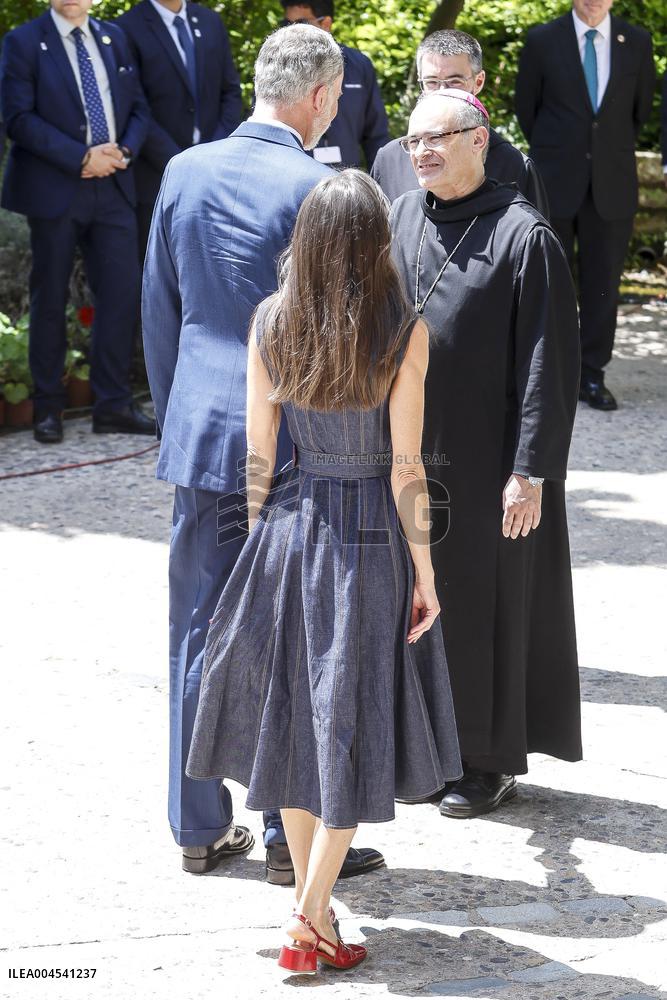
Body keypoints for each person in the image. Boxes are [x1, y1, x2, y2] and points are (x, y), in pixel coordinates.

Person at [186, 169, 462, 973]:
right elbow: (406, 469)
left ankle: (313, 921)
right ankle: (308, 916)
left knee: (302, 731)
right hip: (369, 535)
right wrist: (428, 576)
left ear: (306, 239)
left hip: (290, 534)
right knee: (352, 720)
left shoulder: (272, 321)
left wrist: (258, 544)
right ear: (376, 243)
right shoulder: (403, 329)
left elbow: (259, 458)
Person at [142, 25, 384, 887]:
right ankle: (290, 842)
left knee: (196, 628)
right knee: (291, 636)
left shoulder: (181, 169)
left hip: (200, 433)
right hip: (290, 447)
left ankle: (196, 826)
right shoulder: (317, 188)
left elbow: (158, 313)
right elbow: (338, 336)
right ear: (321, 97)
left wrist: (185, 417)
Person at [390, 90, 582, 819]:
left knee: (487, 608)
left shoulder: (522, 235)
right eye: (412, 142)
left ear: (479, 140)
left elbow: (547, 366)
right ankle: (426, 748)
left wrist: (528, 471)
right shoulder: (403, 215)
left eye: (437, 138)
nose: (422, 152)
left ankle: (486, 761)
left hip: (492, 461)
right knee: (418, 601)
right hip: (412, 451)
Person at [0, 0, 155, 444]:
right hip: (55, 187)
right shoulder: (24, 42)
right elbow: (18, 118)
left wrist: (122, 152)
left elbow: (139, 108)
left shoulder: (115, 38)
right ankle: (47, 408)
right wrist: (80, 158)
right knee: (49, 296)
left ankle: (112, 405)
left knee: (121, 296)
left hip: (113, 186)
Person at [515, 0, 655, 411]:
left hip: (612, 185)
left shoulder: (638, 41)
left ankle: (593, 376)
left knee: (603, 285)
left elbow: (639, 110)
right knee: (549, 283)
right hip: (555, 181)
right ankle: (550, 377)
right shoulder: (543, 40)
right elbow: (528, 108)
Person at [371, 30, 548, 216]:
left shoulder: (514, 165)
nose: (442, 92)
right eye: (431, 82)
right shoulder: (389, 160)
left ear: (478, 82)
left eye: (454, 82)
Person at [116, 0, 243, 259]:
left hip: (214, 177)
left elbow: (230, 92)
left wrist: (215, 154)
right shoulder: (126, 28)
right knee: (160, 276)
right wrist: (182, 163)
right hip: (157, 176)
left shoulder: (210, 22)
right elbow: (134, 107)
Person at [280, 0, 389, 169]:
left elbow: (376, 136)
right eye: (286, 24)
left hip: (345, 182)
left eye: (301, 24)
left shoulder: (359, 66)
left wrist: (382, 185)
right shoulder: (278, 68)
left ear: (326, 23)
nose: (291, 31)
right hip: (295, 178)